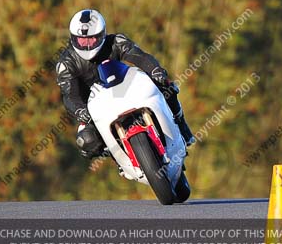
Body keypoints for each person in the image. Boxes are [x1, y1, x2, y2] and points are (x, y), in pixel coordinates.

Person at [55, 9, 195, 158]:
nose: (87, 45)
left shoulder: (116, 41)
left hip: (124, 88)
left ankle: (181, 125)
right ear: (73, 38)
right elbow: (69, 94)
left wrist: (155, 70)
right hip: (94, 108)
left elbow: (139, 56)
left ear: (102, 35)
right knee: (86, 141)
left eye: (92, 39)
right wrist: (80, 111)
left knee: (166, 86)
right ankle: (118, 156)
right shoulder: (65, 63)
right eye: (82, 41)